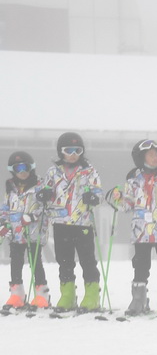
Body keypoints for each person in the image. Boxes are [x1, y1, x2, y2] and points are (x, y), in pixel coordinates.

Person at [107, 140, 157, 316]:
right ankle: (139, 299)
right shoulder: (133, 181)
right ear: (140, 158)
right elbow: (127, 206)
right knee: (140, 265)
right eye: (150, 155)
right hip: (141, 231)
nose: (155, 158)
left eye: (156, 154)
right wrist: (118, 198)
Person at [38, 132, 103, 312]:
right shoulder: (53, 172)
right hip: (60, 222)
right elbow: (45, 188)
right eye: (69, 150)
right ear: (61, 152)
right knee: (64, 260)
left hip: (82, 223)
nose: (73, 154)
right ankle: (67, 295)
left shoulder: (89, 171)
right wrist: (43, 194)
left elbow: (99, 192)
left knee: (87, 259)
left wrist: (94, 197)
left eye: (77, 150)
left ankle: (91, 295)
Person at [2, 151, 50, 311]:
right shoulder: (11, 187)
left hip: (33, 232)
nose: (22, 172)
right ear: (12, 170)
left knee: (36, 262)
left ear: (31, 168)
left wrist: (32, 216)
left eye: (25, 167)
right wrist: (3, 222)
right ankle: (17, 294)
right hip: (15, 233)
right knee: (16, 262)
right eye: (18, 168)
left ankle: (42, 295)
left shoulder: (40, 186)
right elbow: (6, 207)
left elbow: (46, 207)